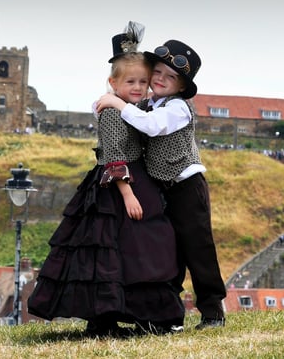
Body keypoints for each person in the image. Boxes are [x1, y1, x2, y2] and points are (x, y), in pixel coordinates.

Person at [27, 23, 184, 337]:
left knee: (145, 246)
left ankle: (142, 314)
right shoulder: (113, 112)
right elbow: (113, 154)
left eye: (143, 81)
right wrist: (127, 193)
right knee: (116, 251)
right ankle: (108, 317)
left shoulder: (130, 107)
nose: (138, 87)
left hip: (139, 179)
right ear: (113, 82)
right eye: (130, 81)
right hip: (118, 184)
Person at [96, 39, 226, 330]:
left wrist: (117, 102)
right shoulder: (147, 104)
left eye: (171, 77)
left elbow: (151, 125)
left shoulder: (179, 108)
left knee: (198, 249)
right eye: (158, 73)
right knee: (167, 252)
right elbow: (117, 112)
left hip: (186, 187)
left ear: (181, 86)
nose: (161, 80)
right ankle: (166, 313)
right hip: (160, 189)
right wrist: (112, 101)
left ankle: (213, 311)